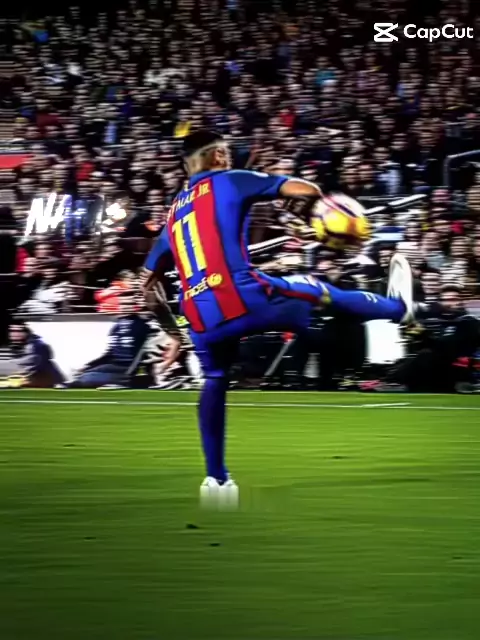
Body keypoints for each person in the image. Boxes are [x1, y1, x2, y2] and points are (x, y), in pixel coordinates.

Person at [142, 130, 414, 508]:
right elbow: (306, 189)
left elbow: (147, 286)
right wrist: (308, 211)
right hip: (245, 296)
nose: (229, 157)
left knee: (215, 379)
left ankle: (216, 482)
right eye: (226, 152)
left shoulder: (173, 213)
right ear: (217, 156)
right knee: (317, 290)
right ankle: (398, 309)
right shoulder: (231, 179)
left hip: (200, 316)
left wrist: (174, 334)